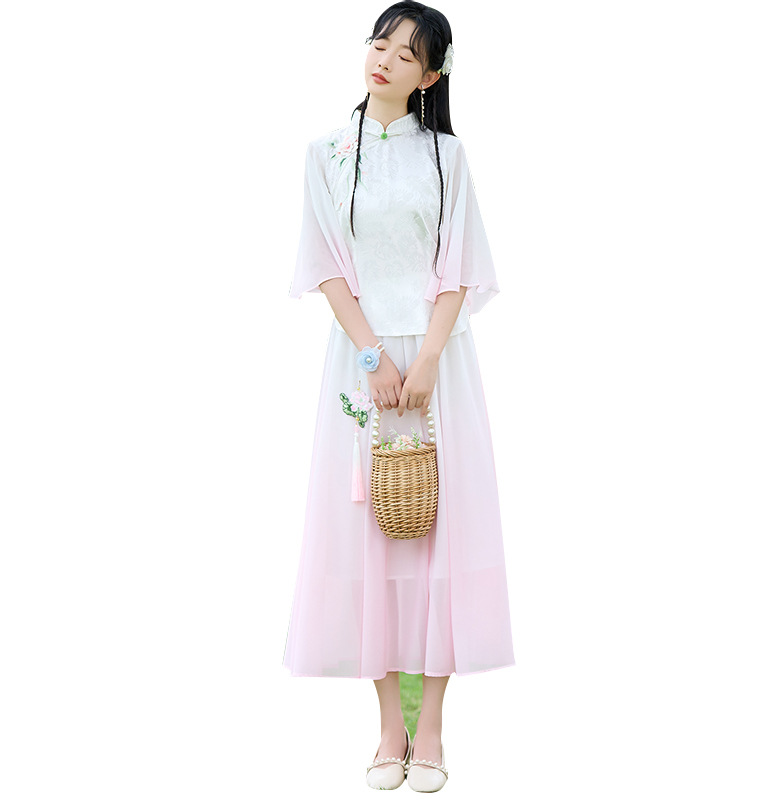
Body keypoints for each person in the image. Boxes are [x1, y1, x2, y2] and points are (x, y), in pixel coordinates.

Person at [282, 1, 515, 791]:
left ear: (431, 76)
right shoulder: (325, 153)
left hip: (439, 363)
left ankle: (434, 728)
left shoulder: (447, 156)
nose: (384, 58)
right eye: (380, 42)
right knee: (369, 535)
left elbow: (459, 266)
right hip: (362, 364)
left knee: (440, 530)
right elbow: (325, 267)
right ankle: (389, 728)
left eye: (407, 54)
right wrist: (374, 356)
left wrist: (427, 361)